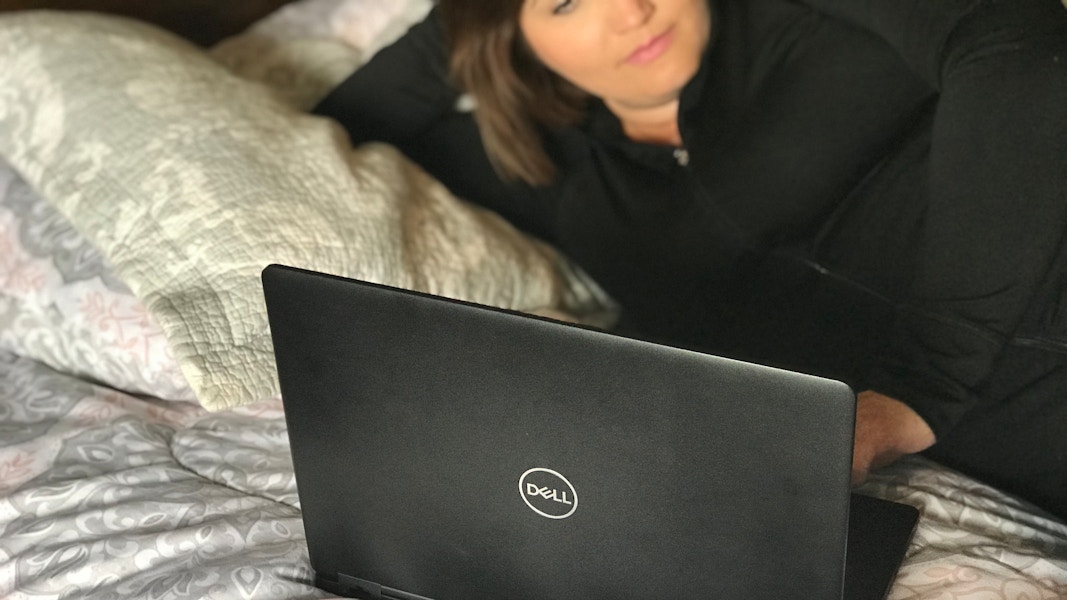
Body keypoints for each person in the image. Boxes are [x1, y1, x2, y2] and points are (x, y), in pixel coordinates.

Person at [315, 0, 1067, 519]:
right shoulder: (550, 180)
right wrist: (477, 21)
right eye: (568, 2)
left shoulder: (790, 15)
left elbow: (1013, 38)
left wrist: (924, 385)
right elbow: (346, 127)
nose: (630, 9)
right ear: (510, 40)